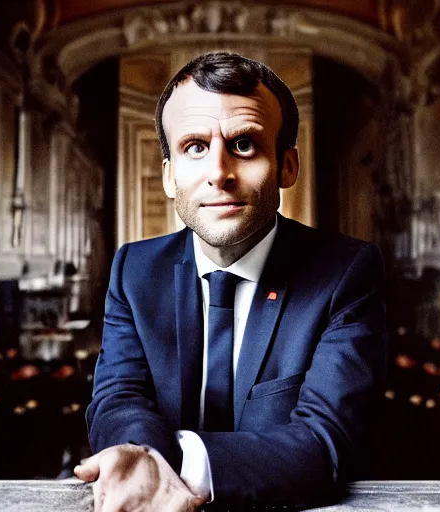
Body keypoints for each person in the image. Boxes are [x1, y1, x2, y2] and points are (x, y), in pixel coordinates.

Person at [74, 52, 387, 511]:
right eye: (194, 147)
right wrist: (137, 458)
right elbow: (118, 398)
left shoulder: (347, 273)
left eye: (244, 145)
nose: (218, 173)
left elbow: (325, 439)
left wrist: (166, 464)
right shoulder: (134, 271)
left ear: (287, 167)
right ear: (169, 174)